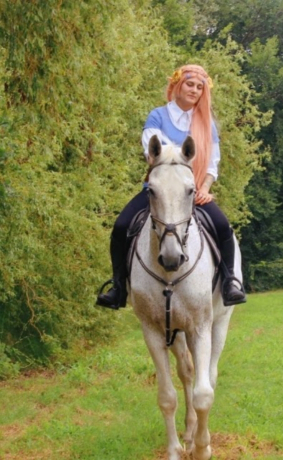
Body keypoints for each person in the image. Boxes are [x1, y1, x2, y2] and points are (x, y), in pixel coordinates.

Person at [96, 64, 247, 309]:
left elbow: (212, 164)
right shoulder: (157, 116)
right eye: (190, 84)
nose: (194, 90)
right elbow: (152, 151)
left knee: (223, 227)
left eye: (199, 87)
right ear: (177, 86)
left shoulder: (207, 124)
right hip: (158, 190)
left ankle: (230, 283)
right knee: (121, 226)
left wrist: (204, 189)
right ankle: (119, 287)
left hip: (192, 192)